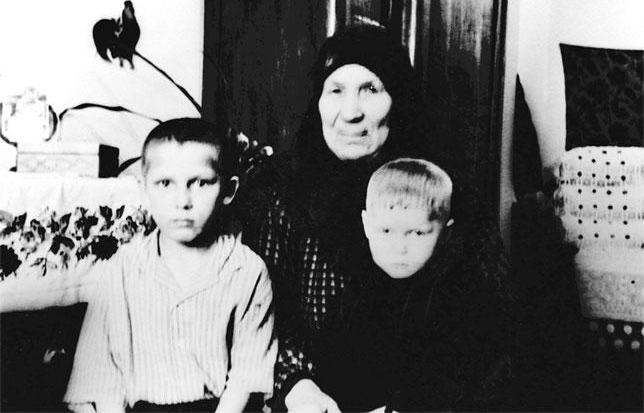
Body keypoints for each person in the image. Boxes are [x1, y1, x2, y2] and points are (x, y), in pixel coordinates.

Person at [241, 24, 513, 412]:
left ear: (398, 99)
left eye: (370, 89)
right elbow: (258, 314)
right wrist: (296, 383)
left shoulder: (450, 195)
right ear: (317, 100)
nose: (351, 112)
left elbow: (489, 337)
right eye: (336, 90)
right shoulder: (277, 191)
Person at [63, 118, 277, 413]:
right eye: (165, 183)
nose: (182, 201)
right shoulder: (121, 269)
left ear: (228, 190)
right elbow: (99, 377)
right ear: (144, 189)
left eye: (200, 183)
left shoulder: (247, 271)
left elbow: (247, 376)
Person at [314, 158, 512, 411]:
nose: (399, 248)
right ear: (366, 225)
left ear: (446, 232)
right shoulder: (355, 291)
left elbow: (471, 382)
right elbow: (331, 364)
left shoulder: (458, 298)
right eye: (386, 231)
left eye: (417, 233)